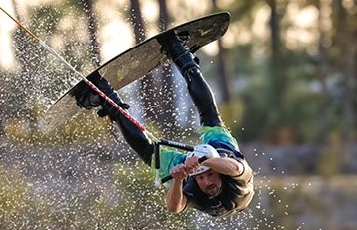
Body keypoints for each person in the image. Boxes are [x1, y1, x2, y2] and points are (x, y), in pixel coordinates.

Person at [71, 26, 254, 217]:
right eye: (203, 177)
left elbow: (175, 206)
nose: (207, 182)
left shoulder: (225, 184)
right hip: (217, 150)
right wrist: (201, 162)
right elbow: (233, 167)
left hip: (200, 163)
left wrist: (178, 179)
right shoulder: (225, 175)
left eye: (208, 176)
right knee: (209, 114)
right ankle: (179, 51)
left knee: (149, 153)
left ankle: (103, 94)